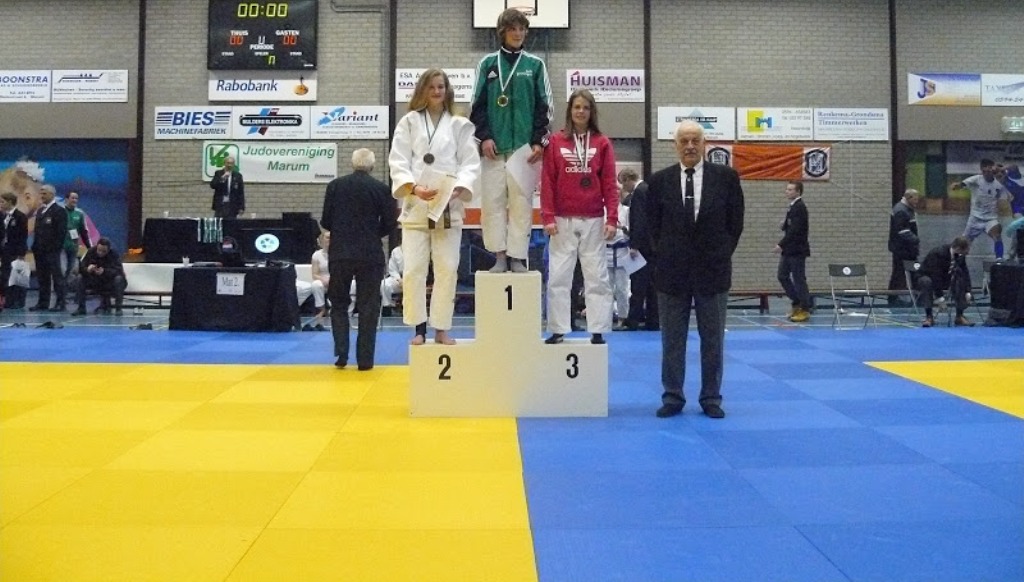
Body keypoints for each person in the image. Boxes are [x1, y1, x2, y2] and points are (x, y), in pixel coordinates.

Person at [647, 120, 745, 419]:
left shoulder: (726, 178)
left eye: (695, 141)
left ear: (704, 144)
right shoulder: (659, 181)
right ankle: (672, 396)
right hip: (671, 272)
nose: (690, 146)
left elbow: (735, 224)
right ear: (675, 145)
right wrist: (664, 257)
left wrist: (719, 254)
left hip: (712, 271)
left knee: (713, 340)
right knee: (672, 340)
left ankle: (711, 397)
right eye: (684, 141)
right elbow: (652, 227)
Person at [390, 68, 481, 346]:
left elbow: (470, 162)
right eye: (431, 87)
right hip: (417, 204)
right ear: (423, 90)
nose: (437, 91)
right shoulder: (409, 122)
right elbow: (399, 160)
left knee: (447, 268)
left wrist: (459, 187)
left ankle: (441, 327)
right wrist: (413, 187)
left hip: (448, 206)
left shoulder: (459, 125)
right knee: (414, 269)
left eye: (441, 86)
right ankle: (419, 328)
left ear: (447, 90)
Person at [470, 8, 552, 273]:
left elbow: (545, 106)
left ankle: (517, 256)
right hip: (493, 149)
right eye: (513, 29)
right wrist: (484, 137)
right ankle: (499, 256)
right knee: (492, 203)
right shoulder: (487, 64)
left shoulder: (535, 65)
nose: (518, 33)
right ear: (502, 32)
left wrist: (538, 140)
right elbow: (477, 105)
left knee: (521, 204)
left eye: (522, 29)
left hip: (524, 150)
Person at [540, 89, 618, 345]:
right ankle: (558, 329)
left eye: (585, 107)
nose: (581, 111)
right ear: (570, 111)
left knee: (596, 276)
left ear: (591, 111)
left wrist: (612, 218)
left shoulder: (602, 143)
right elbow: (548, 181)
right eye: (577, 107)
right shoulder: (556, 142)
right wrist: (547, 216)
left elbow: (609, 184)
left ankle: (598, 329)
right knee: (558, 277)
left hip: (593, 218)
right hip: (562, 219)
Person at [321, 148, 398, 370]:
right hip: (370, 254)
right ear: (372, 165)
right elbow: (390, 223)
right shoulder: (381, 189)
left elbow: (326, 221)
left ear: (352, 164)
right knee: (368, 306)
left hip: (340, 253)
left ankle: (341, 354)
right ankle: (365, 360)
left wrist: (342, 231)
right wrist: (373, 234)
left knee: (338, 303)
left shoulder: (335, 186)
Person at [619, 168, 658, 331]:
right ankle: (653, 321)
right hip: (651, 246)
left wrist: (634, 245)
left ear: (628, 179)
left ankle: (633, 321)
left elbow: (640, 220)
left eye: (623, 183)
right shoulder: (647, 189)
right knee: (651, 285)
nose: (623, 188)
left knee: (638, 284)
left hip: (643, 246)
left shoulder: (639, 193)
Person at [951, 159, 1013, 259]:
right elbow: (962, 184)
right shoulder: (976, 179)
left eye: (990, 169)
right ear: (982, 170)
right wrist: (957, 186)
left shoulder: (999, 184)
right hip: (975, 218)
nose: (988, 172)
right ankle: (956, 258)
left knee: (997, 234)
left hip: (990, 219)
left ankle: (999, 259)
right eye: (985, 170)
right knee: (964, 242)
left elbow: (1006, 198)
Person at [773, 180, 811, 323]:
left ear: (798, 192)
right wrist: (784, 225)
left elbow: (796, 230)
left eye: (790, 190)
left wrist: (781, 244)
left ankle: (805, 308)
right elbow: (791, 225)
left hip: (797, 250)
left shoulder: (800, 207)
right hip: (789, 250)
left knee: (799, 279)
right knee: (782, 276)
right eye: (787, 189)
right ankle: (797, 302)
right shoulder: (793, 207)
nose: (787, 192)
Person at [916, 236, 974, 327]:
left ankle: (959, 316)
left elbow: (965, 273)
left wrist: (968, 291)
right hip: (927, 276)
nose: (967, 253)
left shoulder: (960, 255)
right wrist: (940, 297)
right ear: (958, 248)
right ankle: (929, 317)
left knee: (959, 280)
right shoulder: (937, 253)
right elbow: (935, 275)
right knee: (926, 282)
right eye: (965, 251)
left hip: (944, 278)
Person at [30, 184, 69, 312]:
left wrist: (55, 248)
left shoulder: (59, 211)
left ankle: (60, 302)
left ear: (52, 194)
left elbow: (61, 232)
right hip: (39, 251)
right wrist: (34, 246)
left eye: (44, 193)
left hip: (52, 251)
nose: (41, 195)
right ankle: (43, 302)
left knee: (57, 277)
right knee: (42, 278)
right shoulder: (40, 211)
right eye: (41, 193)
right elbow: (37, 231)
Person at [72, 237, 127, 316]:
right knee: (80, 278)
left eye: (104, 251)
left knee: (119, 279)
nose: (101, 253)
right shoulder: (91, 252)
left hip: (109, 281)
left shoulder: (114, 254)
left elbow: (119, 270)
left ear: (108, 250)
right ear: (97, 247)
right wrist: (87, 269)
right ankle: (81, 308)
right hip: (95, 280)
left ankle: (118, 308)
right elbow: (81, 268)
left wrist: (105, 271)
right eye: (99, 250)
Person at [887, 188, 920, 305]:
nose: (917, 202)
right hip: (903, 249)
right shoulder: (901, 211)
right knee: (903, 273)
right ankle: (895, 298)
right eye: (915, 199)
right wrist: (915, 239)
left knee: (901, 272)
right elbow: (902, 231)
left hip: (905, 248)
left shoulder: (906, 209)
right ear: (908, 198)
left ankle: (894, 297)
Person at [1, 191, 29, 311]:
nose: (0, 204)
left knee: (17, 277)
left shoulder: (20, 216)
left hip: (16, 251)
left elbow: (23, 236)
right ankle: (8, 300)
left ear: (10, 202)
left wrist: (21, 254)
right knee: (6, 276)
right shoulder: (3, 216)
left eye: (2, 202)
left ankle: (19, 301)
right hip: (5, 251)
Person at [62, 191, 91, 284]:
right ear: (66, 199)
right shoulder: (60, 212)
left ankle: (66, 290)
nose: (74, 200)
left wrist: (89, 247)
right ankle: (59, 289)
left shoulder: (80, 213)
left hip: (73, 247)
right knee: (62, 269)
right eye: (72, 198)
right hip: (61, 246)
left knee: (71, 270)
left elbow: (83, 232)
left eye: (76, 198)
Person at [999, 164, 1023, 259]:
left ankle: (1015, 253)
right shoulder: (1006, 181)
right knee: (1017, 230)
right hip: (1018, 209)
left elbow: (1014, 166)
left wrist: (1003, 168)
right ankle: (1012, 253)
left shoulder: (1021, 179)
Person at [380, 244, 404, 313]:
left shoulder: (417, 250)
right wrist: (399, 279)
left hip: (414, 279)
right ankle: (387, 306)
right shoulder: (396, 251)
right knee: (384, 284)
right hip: (399, 279)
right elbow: (393, 269)